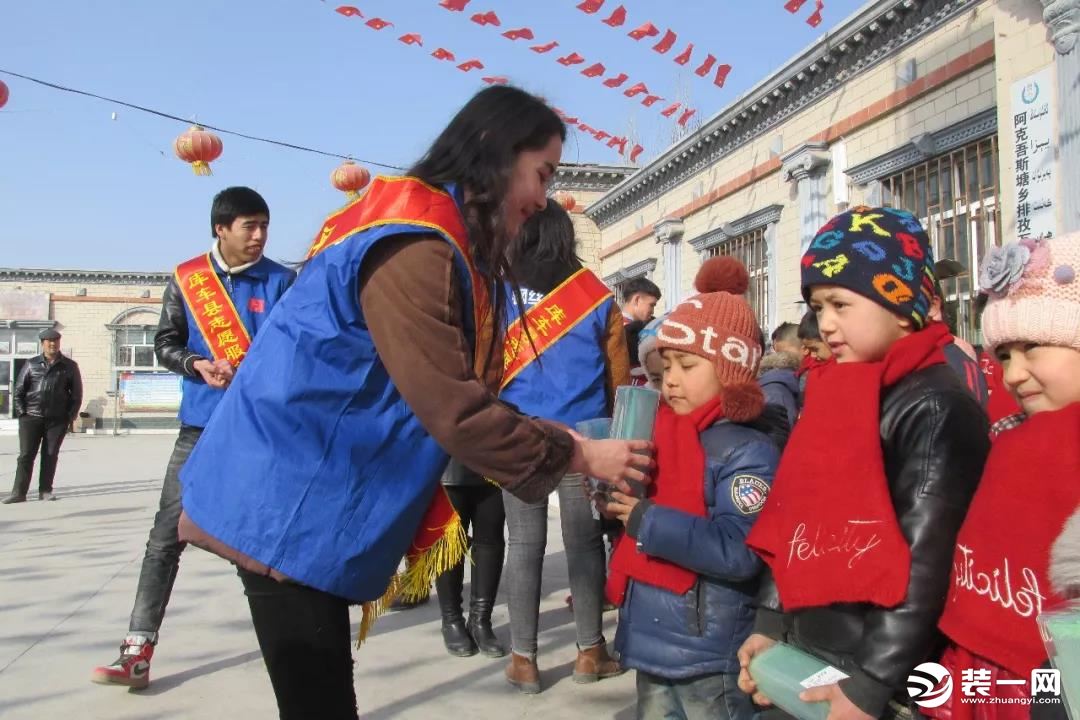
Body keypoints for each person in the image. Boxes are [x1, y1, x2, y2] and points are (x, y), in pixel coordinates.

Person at [173, 86, 651, 720]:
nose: (542, 197)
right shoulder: (418, 241)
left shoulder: (424, 223)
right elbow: (453, 407)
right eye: (542, 174)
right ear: (494, 155)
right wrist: (582, 453)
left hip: (303, 484)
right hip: (287, 497)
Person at [738, 207, 991, 720]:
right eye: (816, 305)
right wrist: (769, 621)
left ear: (901, 306)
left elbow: (927, 563)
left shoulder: (935, 406)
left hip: (884, 671)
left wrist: (873, 682)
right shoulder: (838, 392)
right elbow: (795, 520)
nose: (825, 324)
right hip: (814, 640)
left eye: (839, 304)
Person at [90, 187, 295, 689]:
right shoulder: (188, 280)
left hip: (260, 429)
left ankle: (295, 648)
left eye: (265, 225)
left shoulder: (282, 280)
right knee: (165, 536)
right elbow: (165, 342)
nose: (260, 236)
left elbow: (295, 349)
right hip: (201, 425)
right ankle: (137, 648)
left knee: (262, 542)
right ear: (220, 228)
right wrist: (196, 364)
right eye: (249, 226)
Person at [602, 274, 785, 720]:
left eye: (688, 366)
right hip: (650, 639)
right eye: (665, 370)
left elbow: (741, 550)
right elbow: (636, 525)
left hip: (711, 649)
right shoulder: (658, 433)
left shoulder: (747, 450)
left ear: (729, 369)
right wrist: (616, 504)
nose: (671, 383)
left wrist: (647, 520)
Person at [928, 234, 1080, 717]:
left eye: (1033, 347)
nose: (1013, 374)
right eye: (1004, 354)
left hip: (1049, 684)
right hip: (977, 666)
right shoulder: (1008, 437)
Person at [499, 199, 629, 694]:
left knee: (524, 544)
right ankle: (590, 651)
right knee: (582, 541)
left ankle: (524, 660)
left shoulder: (499, 291)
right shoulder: (595, 295)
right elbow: (616, 374)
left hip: (518, 432)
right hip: (582, 436)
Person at [435, 457, 507, 658]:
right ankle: (451, 620)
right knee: (450, 542)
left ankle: (480, 620)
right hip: (447, 459)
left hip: (492, 457)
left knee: (490, 539)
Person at [4, 328, 82, 504]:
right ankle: (19, 492)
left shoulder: (69, 366)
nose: (52, 344)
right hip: (31, 418)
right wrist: (22, 412)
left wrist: (69, 417)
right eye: (48, 342)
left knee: (50, 454)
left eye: (55, 341)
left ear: (59, 343)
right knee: (26, 455)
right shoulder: (31, 364)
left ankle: (45, 490)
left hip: (57, 420)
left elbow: (76, 395)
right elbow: (19, 391)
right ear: (42, 344)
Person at [622, 277, 662, 386]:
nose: (653, 311)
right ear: (637, 300)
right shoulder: (618, 330)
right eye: (651, 305)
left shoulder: (649, 326)